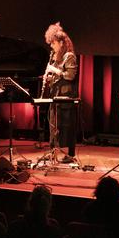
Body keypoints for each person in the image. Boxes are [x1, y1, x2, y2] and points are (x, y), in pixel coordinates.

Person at [43, 23, 78, 163]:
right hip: (56, 95)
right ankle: (52, 152)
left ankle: (70, 155)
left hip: (66, 96)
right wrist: (49, 78)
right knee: (53, 125)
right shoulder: (56, 57)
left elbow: (70, 76)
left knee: (66, 126)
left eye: (53, 43)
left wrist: (55, 70)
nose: (52, 46)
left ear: (61, 43)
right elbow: (57, 78)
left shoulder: (69, 56)